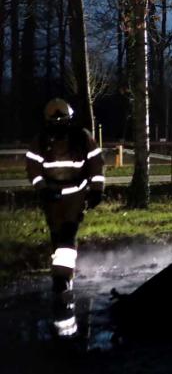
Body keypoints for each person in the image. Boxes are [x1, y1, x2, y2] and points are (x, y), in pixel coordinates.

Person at [25, 98, 104, 337]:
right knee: (57, 237)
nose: (59, 125)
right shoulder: (40, 141)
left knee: (67, 237)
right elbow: (33, 168)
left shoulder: (81, 137)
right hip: (52, 197)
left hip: (75, 196)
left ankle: (62, 279)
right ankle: (60, 275)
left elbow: (96, 164)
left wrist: (96, 190)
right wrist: (41, 188)